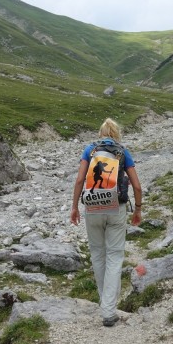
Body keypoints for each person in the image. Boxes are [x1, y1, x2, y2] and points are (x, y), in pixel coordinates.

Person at [70, 118, 142, 327]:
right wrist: (137, 209)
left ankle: (106, 305)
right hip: (115, 208)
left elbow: (79, 180)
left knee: (98, 254)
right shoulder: (123, 152)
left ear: (100, 133)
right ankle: (108, 310)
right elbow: (136, 186)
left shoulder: (89, 150)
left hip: (92, 207)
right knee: (114, 255)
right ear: (117, 133)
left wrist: (74, 207)